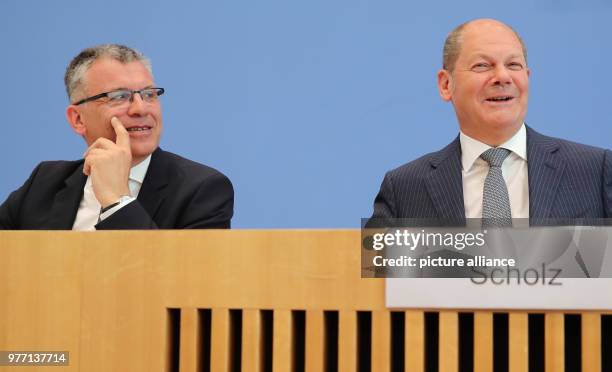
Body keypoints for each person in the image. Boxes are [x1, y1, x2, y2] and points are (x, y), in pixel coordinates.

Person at [371, 19, 612, 225]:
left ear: (527, 78)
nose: (502, 77)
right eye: (482, 66)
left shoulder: (594, 171)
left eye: (513, 65)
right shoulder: (404, 189)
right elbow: (372, 278)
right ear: (446, 85)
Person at [0, 44, 234, 230]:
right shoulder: (44, 183)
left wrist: (116, 201)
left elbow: (182, 282)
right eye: (119, 96)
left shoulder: (202, 191)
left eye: (149, 94)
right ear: (78, 119)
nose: (140, 109)